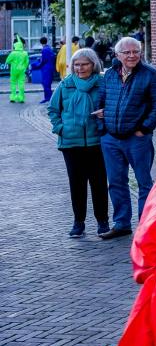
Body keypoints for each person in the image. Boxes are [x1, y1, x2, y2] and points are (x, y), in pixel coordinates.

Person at [96, 36, 156, 239]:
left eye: (136, 51)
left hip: (137, 139)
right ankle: (122, 224)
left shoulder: (151, 74)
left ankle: (145, 226)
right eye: (126, 52)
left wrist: (144, 129)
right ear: (117, 55)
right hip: (111, 139)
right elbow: (101, 101)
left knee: (144, 182)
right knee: (116, 182)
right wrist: (103, 128)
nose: (132, 55)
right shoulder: (110, 74)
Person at [47, 48, 110, 237]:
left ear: (93, 65)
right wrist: (61, 128)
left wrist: (105, 116)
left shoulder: (102, 84)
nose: (80, 68)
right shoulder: (65, 85)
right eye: (76, 64)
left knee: (99, 183)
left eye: (84, 64)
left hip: (97, 142)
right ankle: (78, 222)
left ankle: (103, 221)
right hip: (71, 144)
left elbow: (112, 106)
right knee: (77, 184)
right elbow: (53, 109)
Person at [6, 37, 29, 104]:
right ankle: (21, 98)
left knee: (13, 83)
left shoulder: (13, 53)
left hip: (13, 70)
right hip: (21, 70)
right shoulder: (25, 53)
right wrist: (24, 67)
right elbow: (27, 62)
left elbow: (7, 61)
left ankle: (13, 97)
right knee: (21, 84)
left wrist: (13, 62)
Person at [37, 36, 56, 103]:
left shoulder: (44, 50)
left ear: (41, 42)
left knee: (45, 84)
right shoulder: (49, 48)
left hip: (46, 68)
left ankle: (48, 98)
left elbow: (44, 60)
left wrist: (39, 64)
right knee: (48, 83)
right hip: (50, 67)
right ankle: (49, 98)